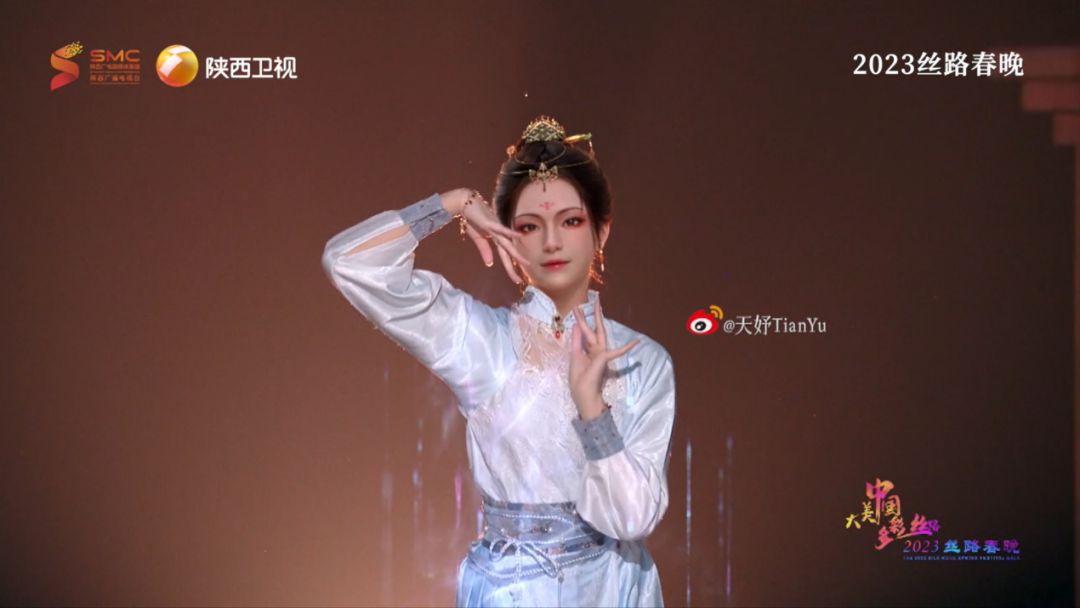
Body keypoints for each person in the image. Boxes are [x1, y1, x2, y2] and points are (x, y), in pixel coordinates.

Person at [321, 115, 677, 607]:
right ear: (506, 233)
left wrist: (592, 410)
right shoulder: (481, 341)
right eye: (529, 226)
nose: (551, 242)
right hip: (511, 590)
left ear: (602, 230)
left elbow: (632, 520)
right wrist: (454, 204)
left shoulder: (644, 362)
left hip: (615, 588)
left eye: (570, 221)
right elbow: (347, 263)